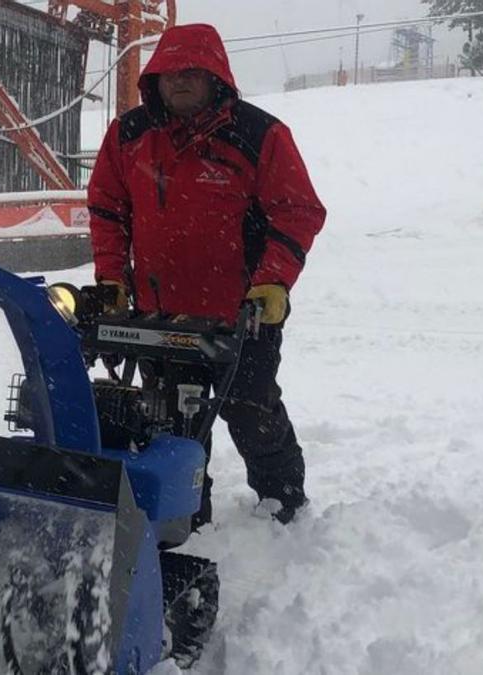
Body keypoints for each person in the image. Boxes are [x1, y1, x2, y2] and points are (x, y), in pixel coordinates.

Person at [87, 23, 326, 526]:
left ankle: (283, 502)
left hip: (243, 310)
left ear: (215, 76)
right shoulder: (129, 136)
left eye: (191, 73)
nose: (179, 83)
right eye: (169, 74)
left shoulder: (260, 135)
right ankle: (186, 513)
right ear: (155, 79)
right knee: (170, 416)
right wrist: (113, 278)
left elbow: (297, 211)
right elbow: (108, 208)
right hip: (161, 313)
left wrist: (272, 281)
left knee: (249, 407)